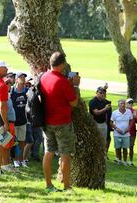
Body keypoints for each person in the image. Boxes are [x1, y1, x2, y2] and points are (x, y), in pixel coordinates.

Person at [40, 51, 79, 192]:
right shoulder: (62, 81)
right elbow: (74, 103)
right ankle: (67, 187)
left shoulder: (44, 77)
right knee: (65, 154)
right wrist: (75, 86)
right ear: (62, 64)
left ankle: (48, 185)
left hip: (47, 121)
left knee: (48, 152)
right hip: (62, 122)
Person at [11, 72, 28, 168]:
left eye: (24, 77)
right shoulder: (12, 91)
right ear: (16, 79)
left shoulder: (27, 91)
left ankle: (22, 160)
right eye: (21, 77)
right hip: (14, 121)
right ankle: (15, 160)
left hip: (23, 121)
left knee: (22, 141)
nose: (23, 79)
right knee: (14, 142)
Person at [110, 99, 133, 166]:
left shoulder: (128, 111)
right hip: (117, 134)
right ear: (118, 105)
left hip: (126, 134)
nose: (123, 105)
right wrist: (116, 128)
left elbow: (131, 120)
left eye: (124, 103)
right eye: (121, 103)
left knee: (125, 148)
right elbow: (110, 122)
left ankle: (125, 161)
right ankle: (119, 160)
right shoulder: (114, 113)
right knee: (118, 147)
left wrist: (128, 128)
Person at [126, 98, 137, 166]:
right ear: (126, 104)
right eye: (129, 103)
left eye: (131, 103)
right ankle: (122, 159)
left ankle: (130, 161)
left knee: (131, 147)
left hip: (132, 131)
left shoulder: (134, 111)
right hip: (124, 131)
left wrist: (135, 117)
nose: (131, 104)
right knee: (123, 146)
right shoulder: (124, 111)